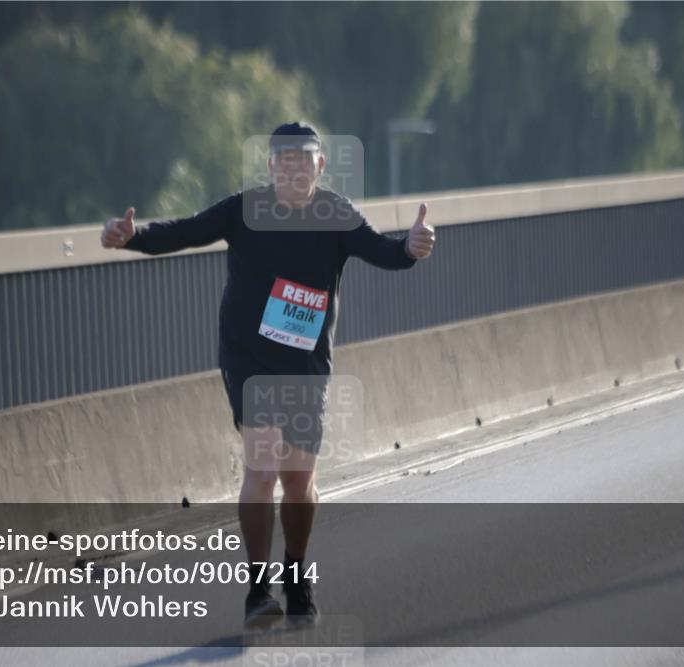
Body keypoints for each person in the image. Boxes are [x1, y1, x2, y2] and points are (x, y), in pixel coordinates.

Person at [101, 121, 435, 628]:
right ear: (271, 166)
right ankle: (258, 588)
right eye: (286, 159)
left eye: (306, 158)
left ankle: (296, 575)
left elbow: (383, 252)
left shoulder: (335, 214)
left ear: (321, 166)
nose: (296, 166)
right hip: (248, 357)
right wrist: (134, 237)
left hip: (306, 364)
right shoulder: (244, 210)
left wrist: (410, 247)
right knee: (262, 468)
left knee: (298, 481)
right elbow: (186, 231)